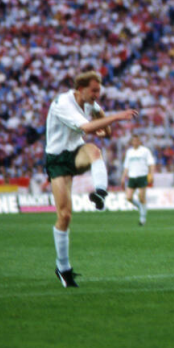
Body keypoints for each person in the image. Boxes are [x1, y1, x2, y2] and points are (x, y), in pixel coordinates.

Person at [45, 71, 138, 288]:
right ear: (81, 89)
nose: (97, 95)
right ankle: (63, 268)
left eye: (99, 91)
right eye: (94, 90)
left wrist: (105, 126)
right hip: (57, 159)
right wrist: (116, 117)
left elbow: (104, 129)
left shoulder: (90, 103)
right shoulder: (63, 103)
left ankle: (101, 192)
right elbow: (87, 127)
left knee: (95, 151)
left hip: (76, 152)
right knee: (65, 216)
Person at [120, 135, 156, 226]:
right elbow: (126, 166)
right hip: (132, 176)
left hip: (142, 176)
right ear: (132, 142)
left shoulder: (145, 151)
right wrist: (123, 177)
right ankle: (141, 207)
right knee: (128, 197)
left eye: (137, 141)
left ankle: (142, 218)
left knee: (141, 198)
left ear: (140, 142)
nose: (135, 142)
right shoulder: (129, 152)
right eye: (134, 141)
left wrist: (151, 175)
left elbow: (151, 164)